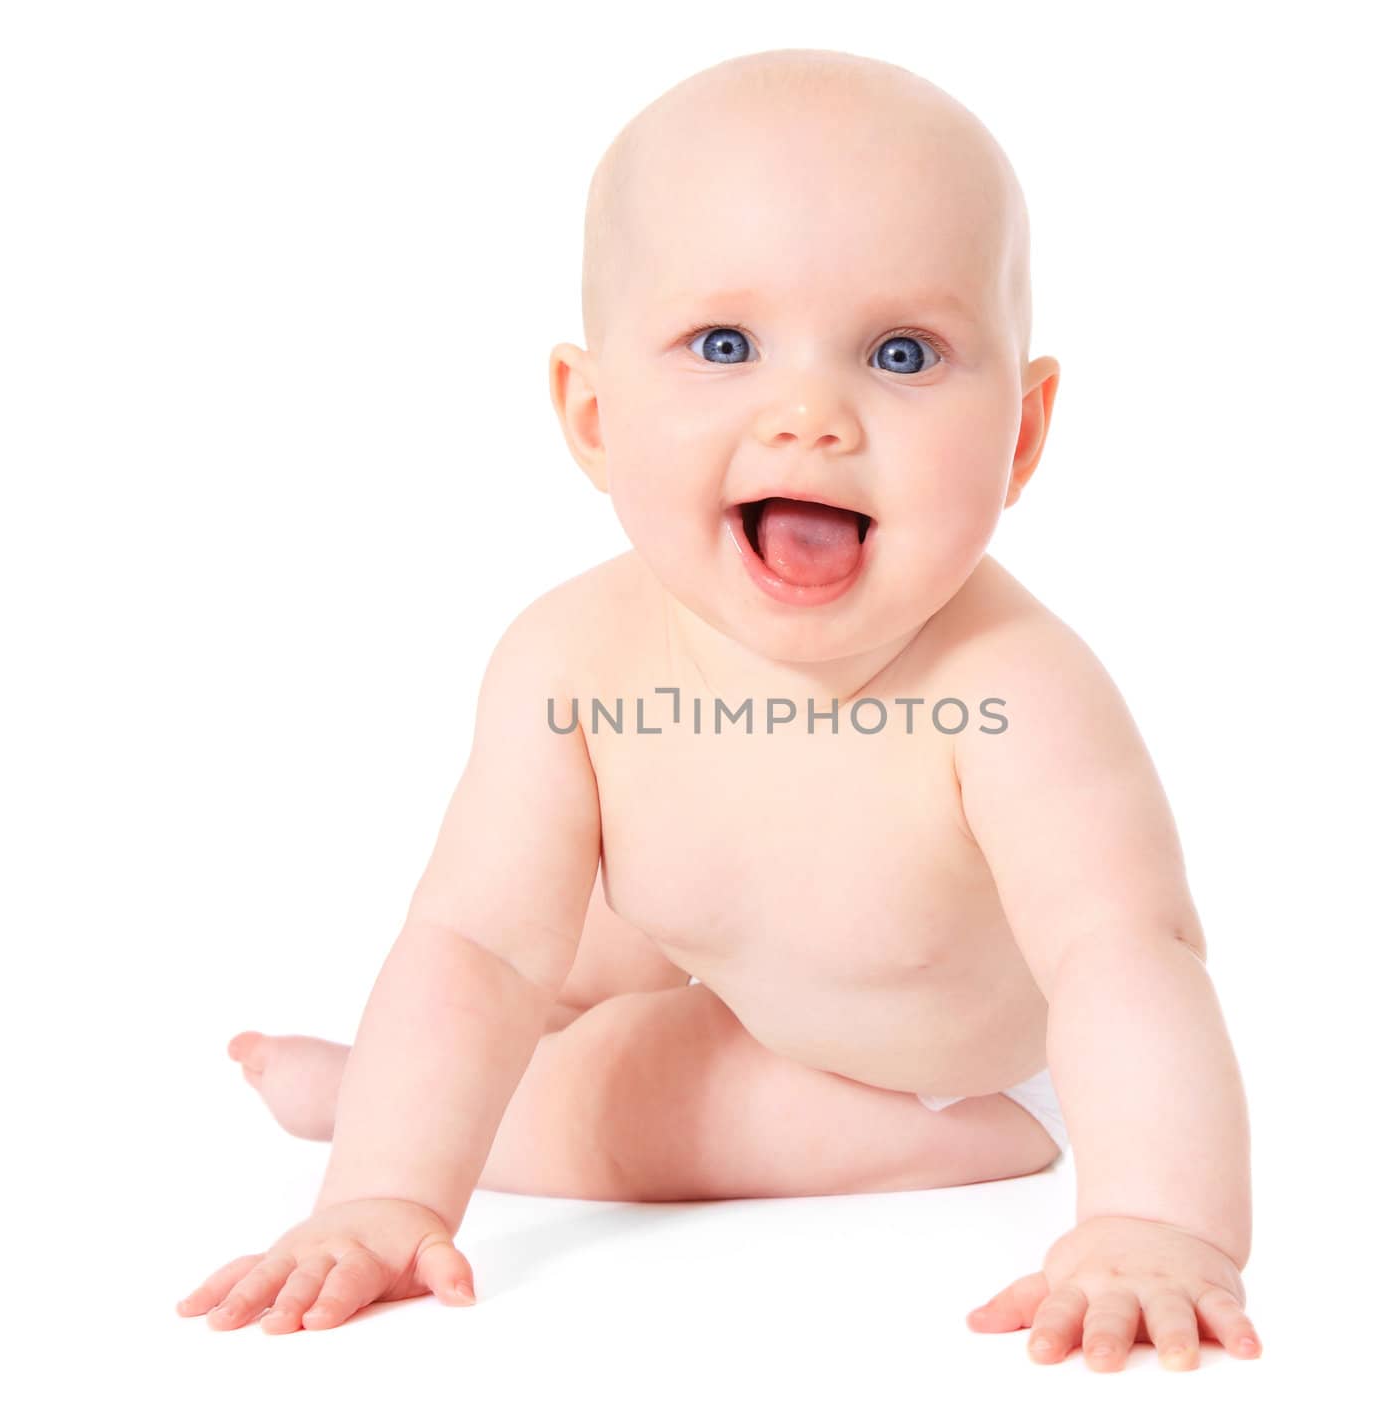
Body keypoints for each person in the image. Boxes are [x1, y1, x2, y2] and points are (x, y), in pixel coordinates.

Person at [177, 47, 1261, 1373]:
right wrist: (381, 1200)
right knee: (536, 938)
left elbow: (1124, 954)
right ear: (591, 413)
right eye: (724, 345)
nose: (810, 413)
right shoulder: (571, 659)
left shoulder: (1014, 691)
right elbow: (473, 946)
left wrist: (1159, 1220)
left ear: (1023, 436)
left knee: (626, 1100)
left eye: (903, 352)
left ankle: (367, 1097)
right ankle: (388, 1121)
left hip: (904, 1066)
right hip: (716, 939)